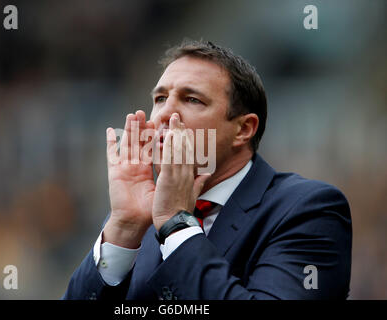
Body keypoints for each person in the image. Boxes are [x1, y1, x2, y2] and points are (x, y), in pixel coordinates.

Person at [63, 39, 352, 300]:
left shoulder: (308, 210)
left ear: (243, 129)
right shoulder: (138, 221)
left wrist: (177, 224)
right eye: (160, 98)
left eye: (192, 99)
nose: (165, 113)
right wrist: (123, 229)